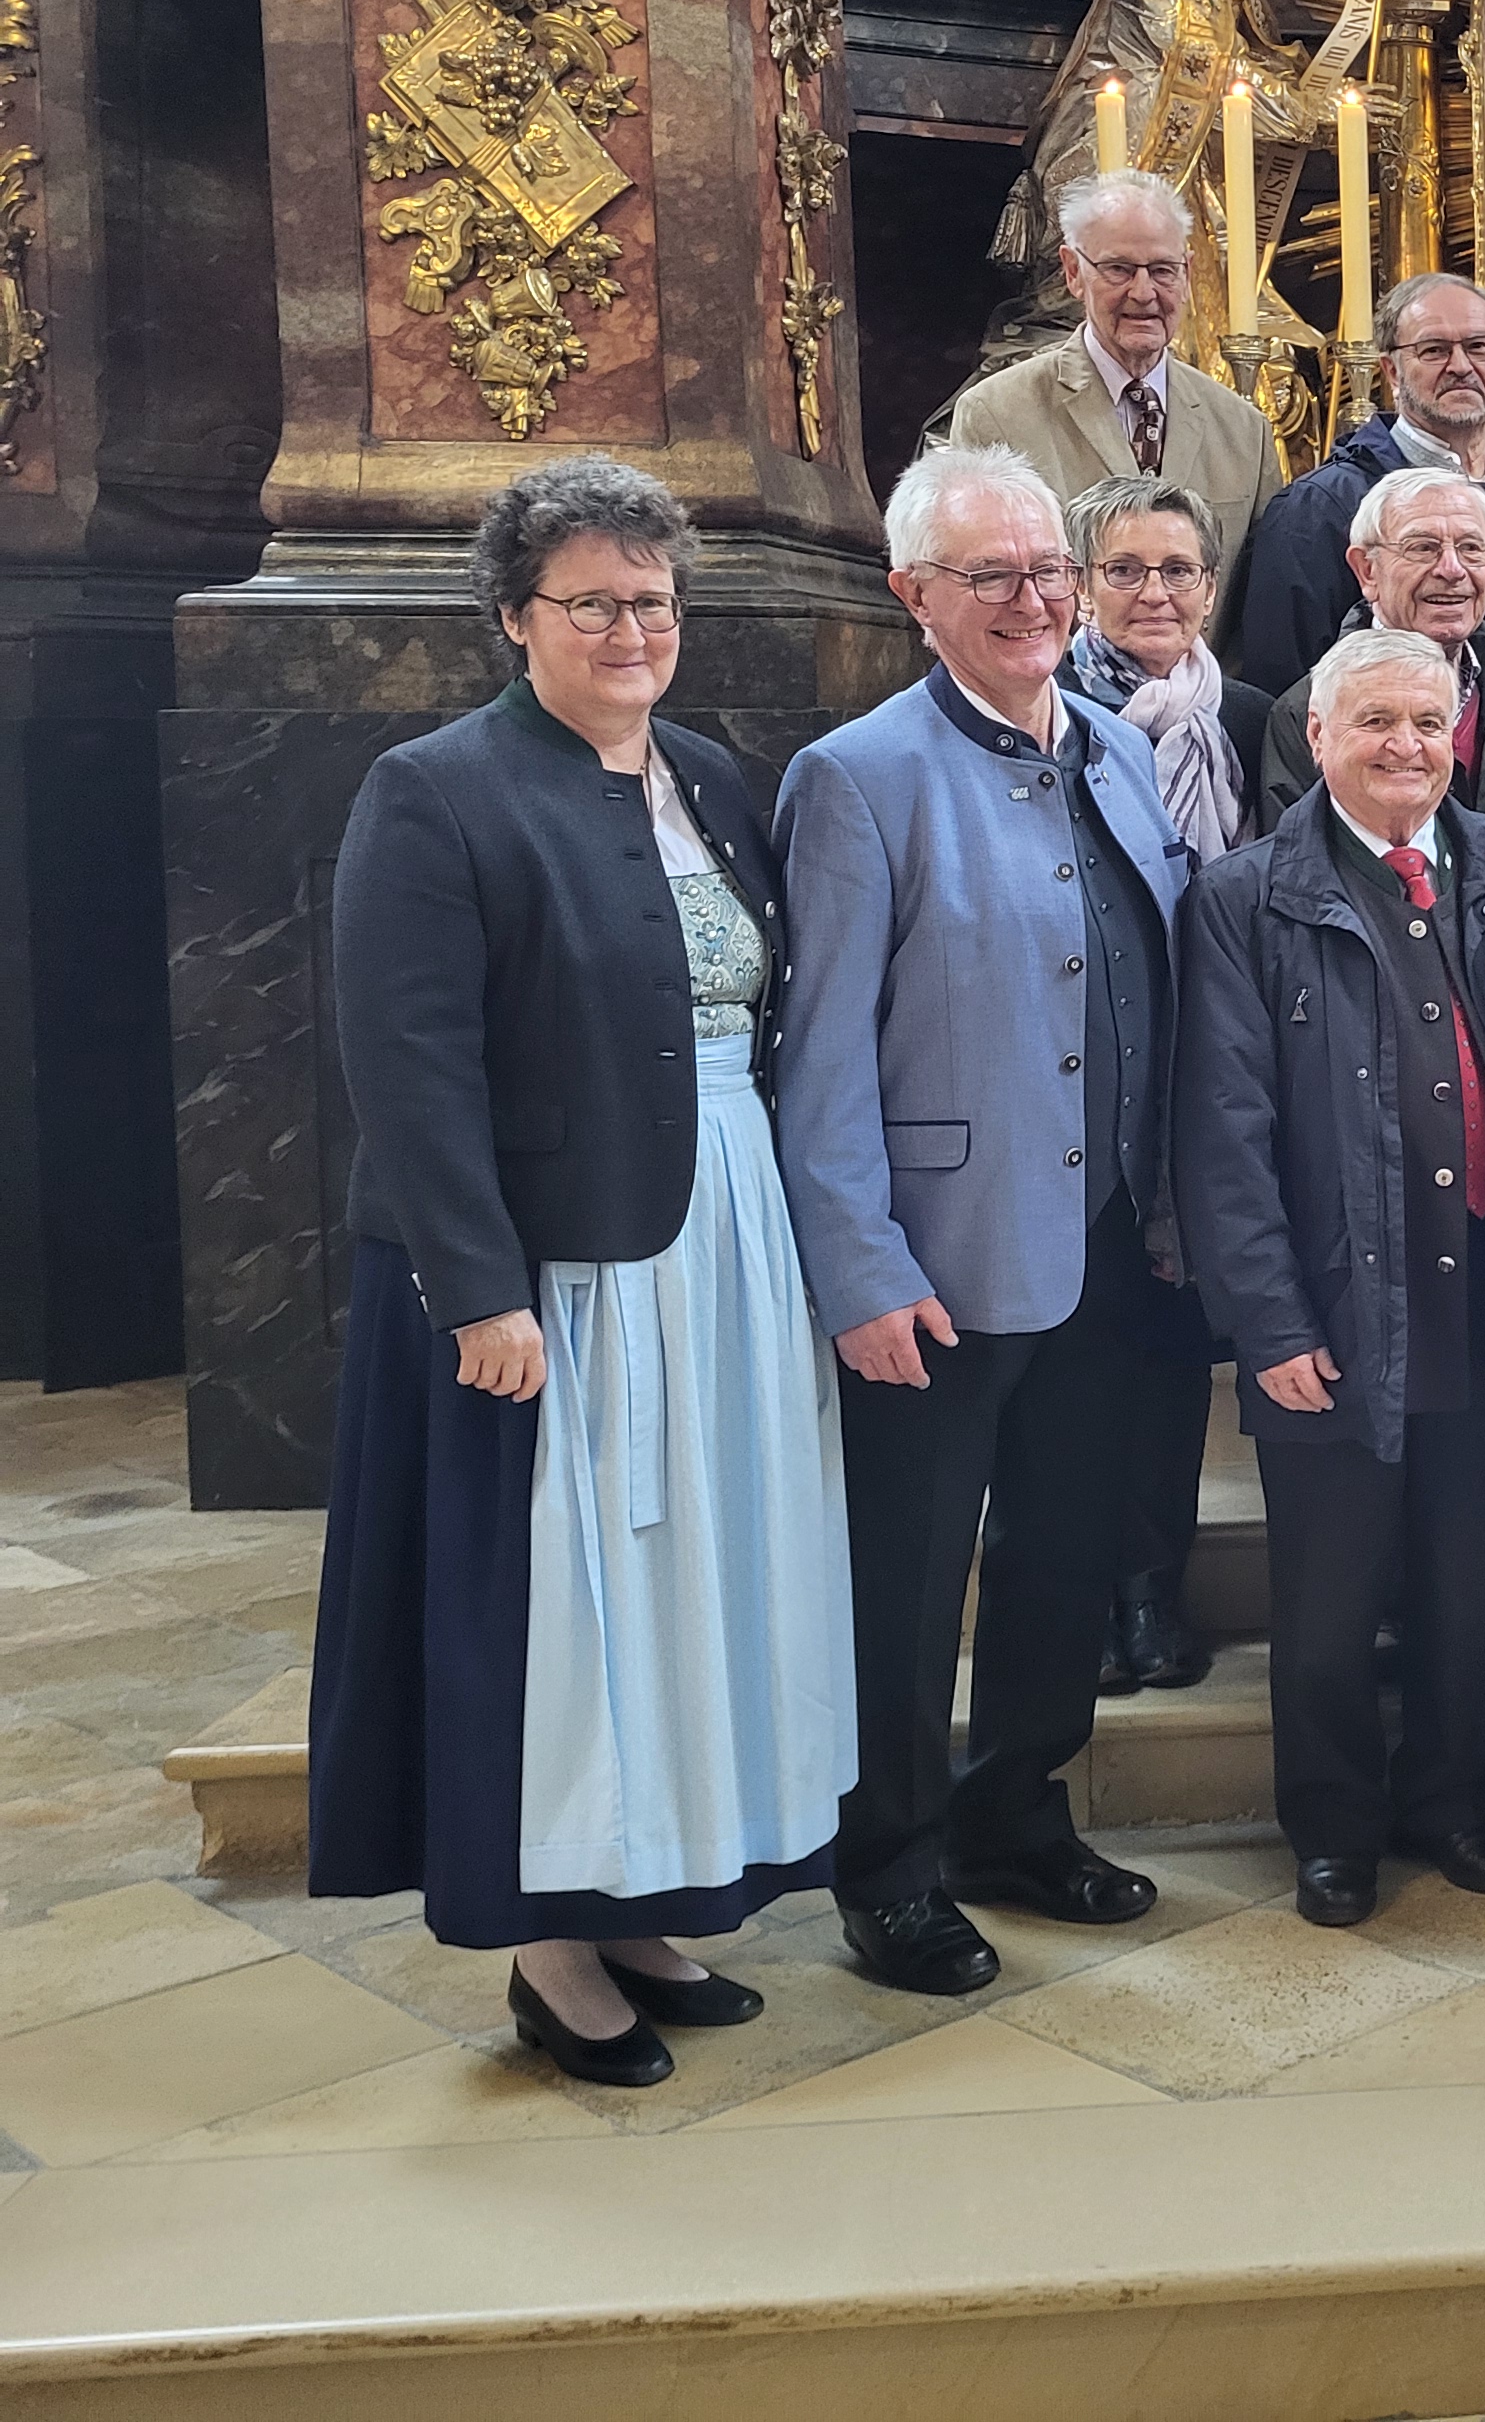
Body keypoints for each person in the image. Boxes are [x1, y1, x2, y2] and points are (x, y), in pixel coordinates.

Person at [313, 458, 848, 2088]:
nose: (632, 628)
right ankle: (550, 1941)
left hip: (727, 1232)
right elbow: (405, 1064)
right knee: (567, 1599)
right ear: (512, 617)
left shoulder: (710, 774)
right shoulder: (437, 790)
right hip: (561, 1266)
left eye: (654, 601)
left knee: (689, 1576)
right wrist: (479, 1289)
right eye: (593, 602)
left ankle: (644, 1895)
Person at [775, 445, 1189, 1995]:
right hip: (937, 1262)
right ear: (915, 598)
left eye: (1052, 572)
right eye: (992, 577)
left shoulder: (1117, 747)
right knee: (908, 1576)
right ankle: (884, 1863)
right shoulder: (858, 778)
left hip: (1106, 1243)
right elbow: (817, 1061)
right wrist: (859, 1267)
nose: (1035, 601)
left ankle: (1015, 1811)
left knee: (1063, 1557)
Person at [1176, 627, 1485, 1928]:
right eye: (1377, 722)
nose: (1406, 745)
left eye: (1427, 722)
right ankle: (1333, 1828)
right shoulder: (1247, 896)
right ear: (1323, 737)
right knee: (1329, 1603)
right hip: (1332, 1311)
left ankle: (1456, 1803)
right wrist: (1270, 1318)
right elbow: (1220, 1131)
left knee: (1469, 1588)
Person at [1056, 468, 1269, 1695]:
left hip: (1205, 1067)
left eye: (1177, 570)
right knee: (1078, 1354)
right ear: (1084, 585)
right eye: (1125, 569)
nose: (1154, 592)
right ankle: (1078, 1590)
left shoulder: (1245, 719)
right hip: (1086, 1077)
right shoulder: (1045, 711)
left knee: (1169, 1351)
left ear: (1208, 584)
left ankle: (1152, 1589)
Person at [1229, 273, 1485, 694]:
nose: (1461, 367)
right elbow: (1284, 694)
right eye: (1434, 350)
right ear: (1391, 370)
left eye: (1478, 347)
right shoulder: (1318, 509)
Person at [947, 168, 1283, 578]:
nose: (1143, 293)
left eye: (1162, 270)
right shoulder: (996, 415)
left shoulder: (1245, 433)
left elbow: (1260, 602)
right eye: (1119, 269)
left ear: (1188, 274)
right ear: (1073, 272)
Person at [1256, 468, 1485, 829]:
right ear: (1367, 570)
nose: (1452, 569)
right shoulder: (1308, 710)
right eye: (1423, 548)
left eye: (1472, 548)